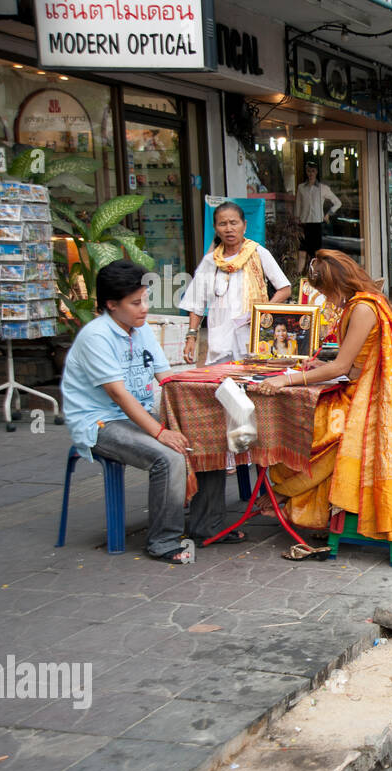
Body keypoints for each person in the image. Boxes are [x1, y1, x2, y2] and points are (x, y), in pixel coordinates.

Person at [61, 260, 219, 563]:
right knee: (169, 455)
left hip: (138, 414)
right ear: (111, 305)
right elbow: (119, 396)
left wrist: (210, 387)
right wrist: (160, 432)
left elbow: (167, 379)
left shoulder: (140, 328)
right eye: (136, 303)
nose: (144, 308)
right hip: (100, 422)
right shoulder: (96, 336)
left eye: (145, 299)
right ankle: (164, 541)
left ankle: (207, 526)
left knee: (203, 435)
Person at [260, 250, 392, 543]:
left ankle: (290, 499)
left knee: (306, 428)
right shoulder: (362, 304)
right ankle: (290, 499)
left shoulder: (363, 308)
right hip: (359, 390)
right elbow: (352, 364)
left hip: (365, 401)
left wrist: (287, 380)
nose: (327, 300)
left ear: (336, 285)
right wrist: (321, 367)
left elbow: (344, 366)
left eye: (326, 293)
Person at [180, 201, 292, 364]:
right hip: (220, 343)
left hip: (252, 339)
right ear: (215, 228)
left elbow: (285, 289)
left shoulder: (258, 253)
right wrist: (191, 336)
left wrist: (261, 312)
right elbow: (196, 302)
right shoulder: (210, 261)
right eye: (223, 224)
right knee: (222, 387)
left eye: (234, 223)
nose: (229, 229)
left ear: (244, 225)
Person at [297, 160, 341, 270]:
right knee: (302, 253)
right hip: (304, 224)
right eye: (308, 171)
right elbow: (298, 206)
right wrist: (296, 222)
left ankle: (316, 277)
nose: (310, 173)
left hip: (317, 224)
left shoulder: (323, 188)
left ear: (316, 172)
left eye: (313, 171)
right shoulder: (301, 188)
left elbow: (337, 202)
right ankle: (297, 279)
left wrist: (328, 214)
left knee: (317, 254)